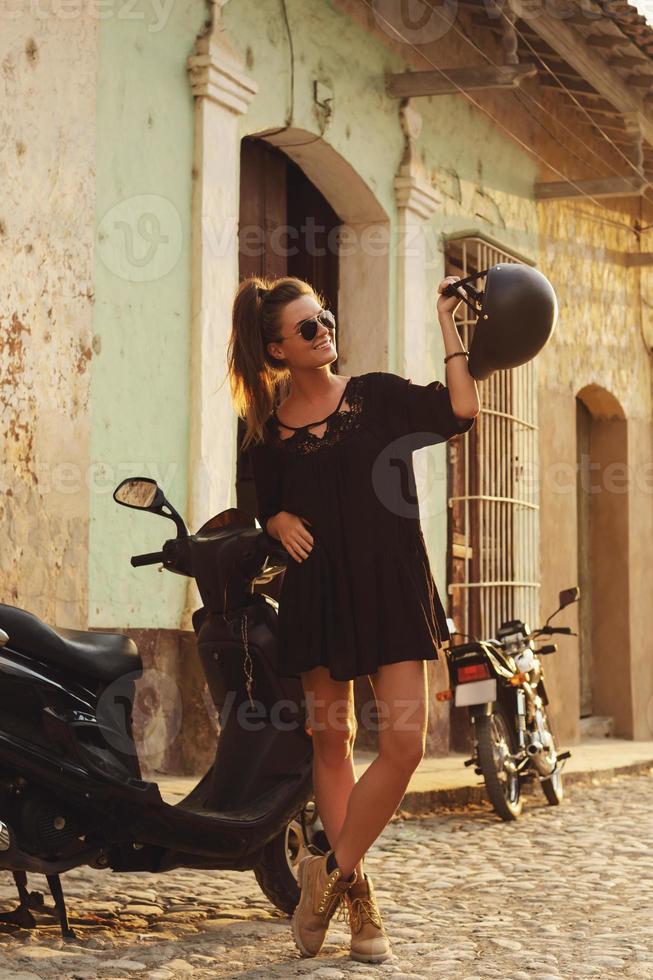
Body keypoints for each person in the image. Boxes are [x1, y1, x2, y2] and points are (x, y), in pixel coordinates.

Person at [227, 274, 479, 963]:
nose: (324, 331)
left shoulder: (376, 396)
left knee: (403, 746)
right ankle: (359, 900)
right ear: (278, 348)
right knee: (331, 744)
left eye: (326, 318)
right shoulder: (263, 434)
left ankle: (327, 875)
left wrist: (448, 325)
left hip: (392, 585)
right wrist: (275, 518)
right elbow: (256, 504)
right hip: (319, 594)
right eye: (307, 327)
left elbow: (460, 409)